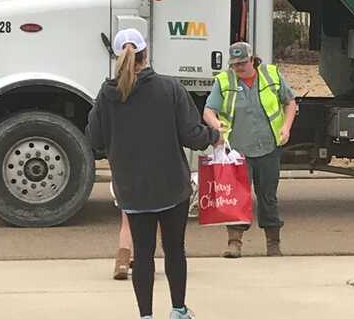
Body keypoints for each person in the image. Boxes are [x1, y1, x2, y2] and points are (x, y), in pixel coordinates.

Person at [87, 28, 221, 319]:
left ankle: (145, 315)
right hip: (172, 185)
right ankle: (178, 310)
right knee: (175, 250)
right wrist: (213, 135)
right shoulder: (169, 88)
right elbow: (191, 136)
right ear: (146, 54)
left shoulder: (107, 94)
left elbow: (94, 139)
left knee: (143, 254)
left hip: (132, 188)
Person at [203, 42, 297, 258]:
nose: (239, 68)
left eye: (243, 63)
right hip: (238, 153)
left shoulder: (271, 75)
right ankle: (234, 243)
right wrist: (216, 125)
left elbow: (290, 102)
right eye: (235, 65)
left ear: (252, 59)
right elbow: (209, 110)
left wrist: (286, 127)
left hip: (268, 148)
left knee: (268, 197)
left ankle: (273, 244)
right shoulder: (224, 81)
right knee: (237, 197)